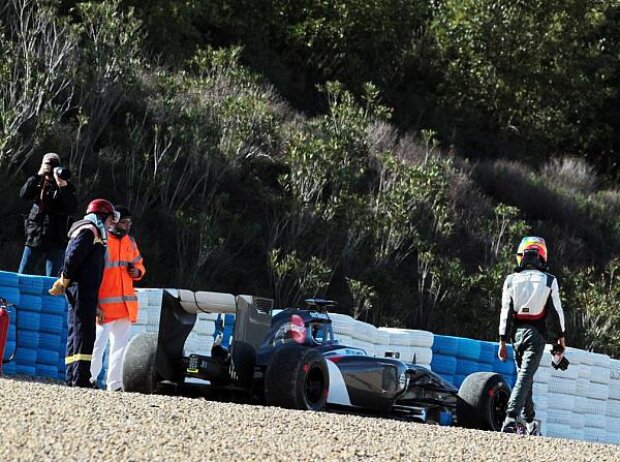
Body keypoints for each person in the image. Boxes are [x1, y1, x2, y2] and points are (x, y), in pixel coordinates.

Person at [498, 236, 566, 435]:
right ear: (542, 257)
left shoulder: (510, 280)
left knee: (524, 377)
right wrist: (561, 337)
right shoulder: (549, 280)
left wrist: (502, 341)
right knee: (525, 377)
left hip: (515, 336)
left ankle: (529, 423)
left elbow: (505, 311)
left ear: (521, 256)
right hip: (536, 335)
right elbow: (557, 311)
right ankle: (510, 418)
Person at [48, 199, 119, 387]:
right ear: (102, 215)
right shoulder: (90, 230)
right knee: (83, 334)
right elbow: (72, 257)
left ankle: (73, 378)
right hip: (80, 289)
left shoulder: (92, 231)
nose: (113, 222)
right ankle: (79, 379)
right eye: (111, 218)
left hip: (84, 290)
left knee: (77, 332)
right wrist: (64, 279)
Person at [90, 205, 146, 391]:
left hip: (125, 307)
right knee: (97, 345)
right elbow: (95, 273)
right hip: (104, 306)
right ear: (114, 221)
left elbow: (140, 265)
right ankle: (90, 379)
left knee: (119, 349)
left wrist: (137, 271)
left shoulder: (130, 242)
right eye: (124, 222)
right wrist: (95, 304)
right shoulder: (103, 241)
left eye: (129, 222)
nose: (127, 225)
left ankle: (114, 384)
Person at [19, 152, 78, 276]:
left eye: (54, 165)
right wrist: (39, 174)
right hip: (36, 235)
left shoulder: (66, 186)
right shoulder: (37, 181)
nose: (50, 168)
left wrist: (63, 187)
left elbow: (72, 208)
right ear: (42, 164)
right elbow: (24, 195)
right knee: (24, 274)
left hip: (57, 238)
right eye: (48, 164)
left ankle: (49, 297)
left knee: (52, 280)